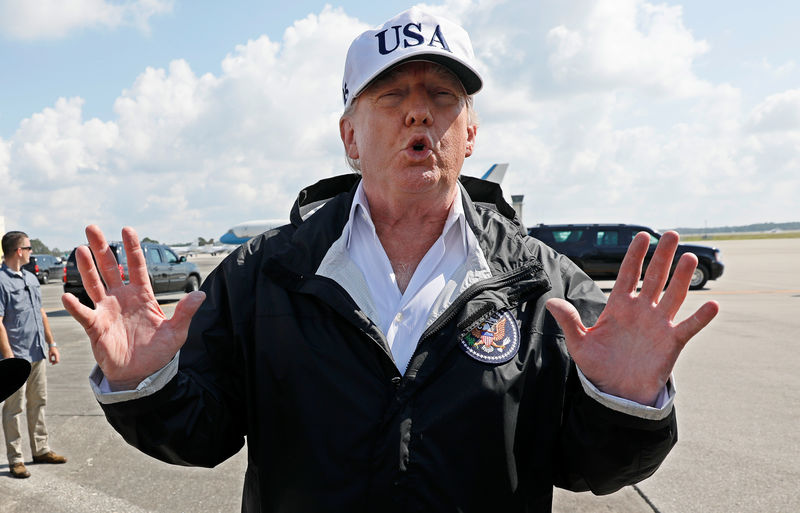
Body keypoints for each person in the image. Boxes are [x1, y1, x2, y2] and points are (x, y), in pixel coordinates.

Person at [63, 8, 719, 512]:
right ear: (349, 134)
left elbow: (589, 464)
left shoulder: (541, 282)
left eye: (441, 95)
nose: (417, 112)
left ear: (469, 130)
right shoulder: (263, 275)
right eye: (390, 94)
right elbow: (201, 434)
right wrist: (147, 383)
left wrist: (624, 402)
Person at [1, 231, 67, 479]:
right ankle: (16, 459)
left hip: (37, 352)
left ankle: (41, 450)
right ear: (19, 251)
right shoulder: (0, 282)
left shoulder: (30, 277)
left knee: (38, 402)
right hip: (16, 357)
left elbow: (41, 313)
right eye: (28, 248)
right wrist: (9, 358)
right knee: (13, 408)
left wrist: (52, 343)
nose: (31, 252)